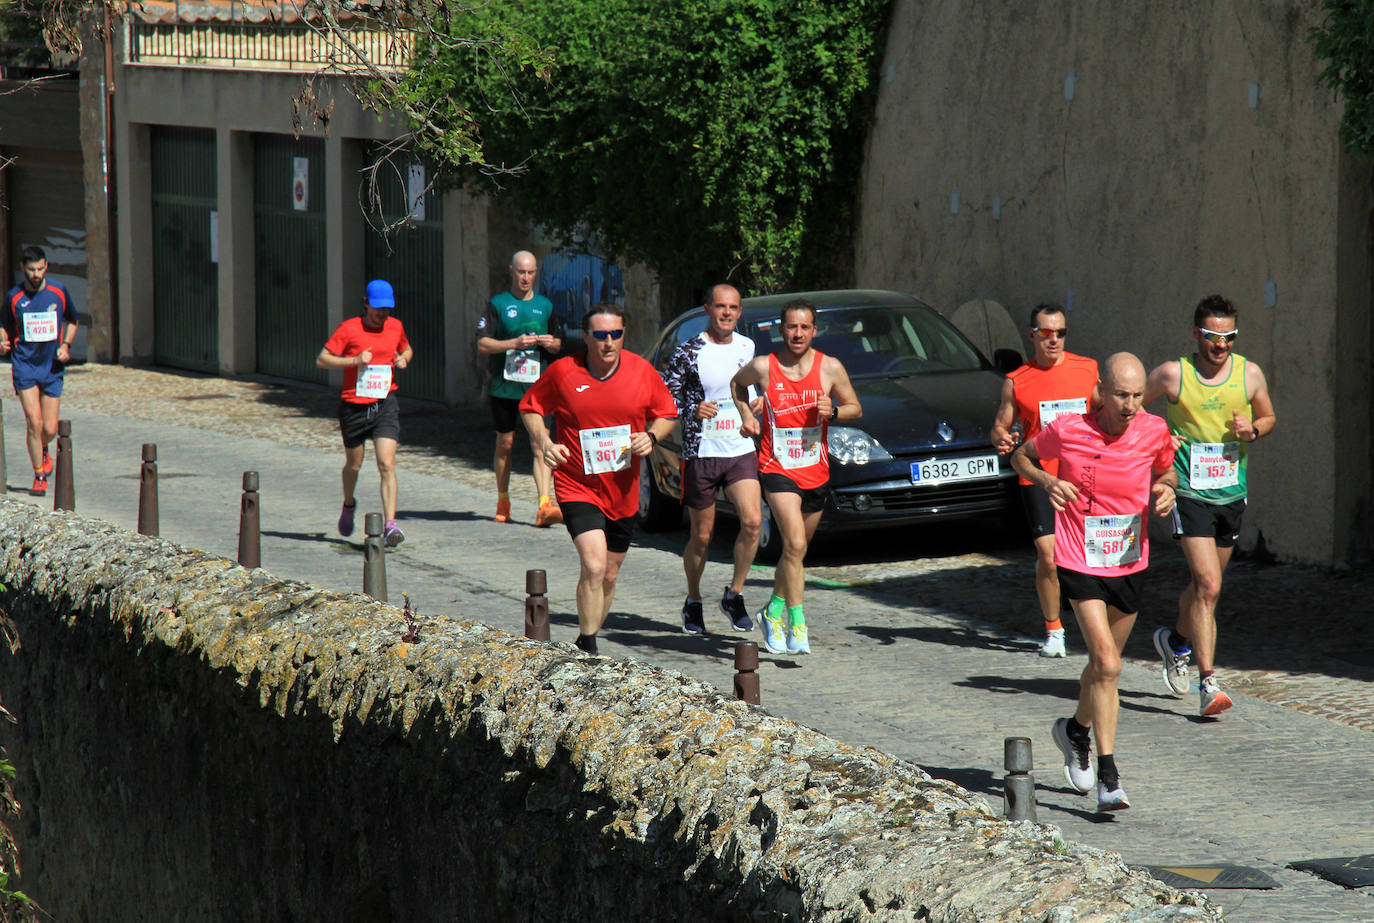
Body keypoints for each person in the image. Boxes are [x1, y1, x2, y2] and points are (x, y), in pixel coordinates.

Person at [1013, 353, 1176, 812]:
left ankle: (1075, 731)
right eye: (1121, 395)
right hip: (1079, 557)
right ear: (1101, 390)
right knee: (1106, 663)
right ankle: (1109, 777)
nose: (1130, 405)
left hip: (1128, 559)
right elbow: (1020, 457)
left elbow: (1167, 470)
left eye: (1138, 395)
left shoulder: (1153, 430)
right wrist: (1047, 480)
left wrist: (1165, 489)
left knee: (1104, 669)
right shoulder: (1068, 428)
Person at [1144, 295, 1276, 718]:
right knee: (1209, 587)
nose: (1221, 345)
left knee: (1206, 587)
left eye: (1229, 337)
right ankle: (1208, 682)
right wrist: (1162, 437)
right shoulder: (1172, 374)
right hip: (1189, 492)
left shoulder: (1249, 373)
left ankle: (1175, 642)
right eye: (1212, 336)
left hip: (1230, 494)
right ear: (1196, 333)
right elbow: (1130, 408)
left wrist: (1252, 430)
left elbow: (1269, 417)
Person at [519, 302, 678, 654]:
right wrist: (545, 441)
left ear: (624, 335)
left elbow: (667, 414)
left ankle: (584, 636)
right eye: (601, 335)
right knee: (593, 564)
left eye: (616, 334)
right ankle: (589, 649)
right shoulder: (564, 372)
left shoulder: (641, 372)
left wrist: (651, 437)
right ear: (587, 336)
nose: (609, 342)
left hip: (623, 490)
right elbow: (530, 407)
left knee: (609, 573)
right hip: (577, 484)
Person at [730, 298, 861, 655]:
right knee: (797, 544)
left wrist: (832, 409)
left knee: (794, 552)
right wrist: (747, 416)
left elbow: (855, 407)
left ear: (814, 331)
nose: (798, 333)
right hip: (777, 468)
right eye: (791, 327)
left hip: (815, 470)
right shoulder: (763, 366)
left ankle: (772, 610)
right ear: (781, 329)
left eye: (804, 327)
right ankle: (797, 623)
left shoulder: (829, 367)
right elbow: (736, 386)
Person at [991, 304, 1100, 657]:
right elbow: (1001, 425)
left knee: (1088, 554)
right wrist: (1001, 437)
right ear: (1032, 335)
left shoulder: (1087, 369)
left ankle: (1095, 617)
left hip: (1085, 475)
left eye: (1060, 333)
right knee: (1048, 556)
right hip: (1039, 476)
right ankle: (1055, 631)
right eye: (1045, 333)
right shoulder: (1017, 379)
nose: (1053, 340)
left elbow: (1108, 410)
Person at [661, 283, 761, 634]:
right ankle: (693, 599)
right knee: (702, 537)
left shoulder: (748, 347)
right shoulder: (689, 351)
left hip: (739, 449)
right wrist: (692, 408)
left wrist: (757, 404)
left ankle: (734, 595)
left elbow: (753, 389)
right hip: (702, 450)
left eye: (733, 307)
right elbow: (664, 398)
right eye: (720, 307)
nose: (727, 313)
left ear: (739, 312)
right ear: (708, 309)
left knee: (752, 522)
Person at [316, 279, 413, 547]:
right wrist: (354, 361)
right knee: (354, 465)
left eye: (387, 309)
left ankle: (390, 525)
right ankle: (349, 504)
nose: (383, 314)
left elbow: (406, 348)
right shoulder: (349, 329)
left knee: (387, 463)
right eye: (378, 308)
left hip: (385, 403)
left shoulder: (395, 327)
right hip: (354, 406)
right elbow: (322, 359)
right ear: (366, 303)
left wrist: (404, 359)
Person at [476, 250, 563, 526]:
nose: (526, 278)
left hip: (537, 389)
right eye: (521, 272)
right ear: (511, 271)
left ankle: (544, 505)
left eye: (531, 272)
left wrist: (551, 344)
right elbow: (482, 344)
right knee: (506, 444)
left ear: (536, 273)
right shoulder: (498, 304)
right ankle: (503, 499)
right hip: (504, 388)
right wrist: (513, 344)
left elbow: (560, 343)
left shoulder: (545, 306)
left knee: (541, 443)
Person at [1, 245, 80, 496]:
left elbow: (73, 320)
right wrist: (3, 341)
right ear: (24, 268)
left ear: (46, 267)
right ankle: (39, 474)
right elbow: (3, 324)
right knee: (34, 424)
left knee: (50, 429)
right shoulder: (14, 296)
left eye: (40, 269)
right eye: (31, 269)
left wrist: (66, 346)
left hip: (52, 367)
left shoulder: (59, 292)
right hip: (24, 365)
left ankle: (44, 450)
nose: (36, 274)